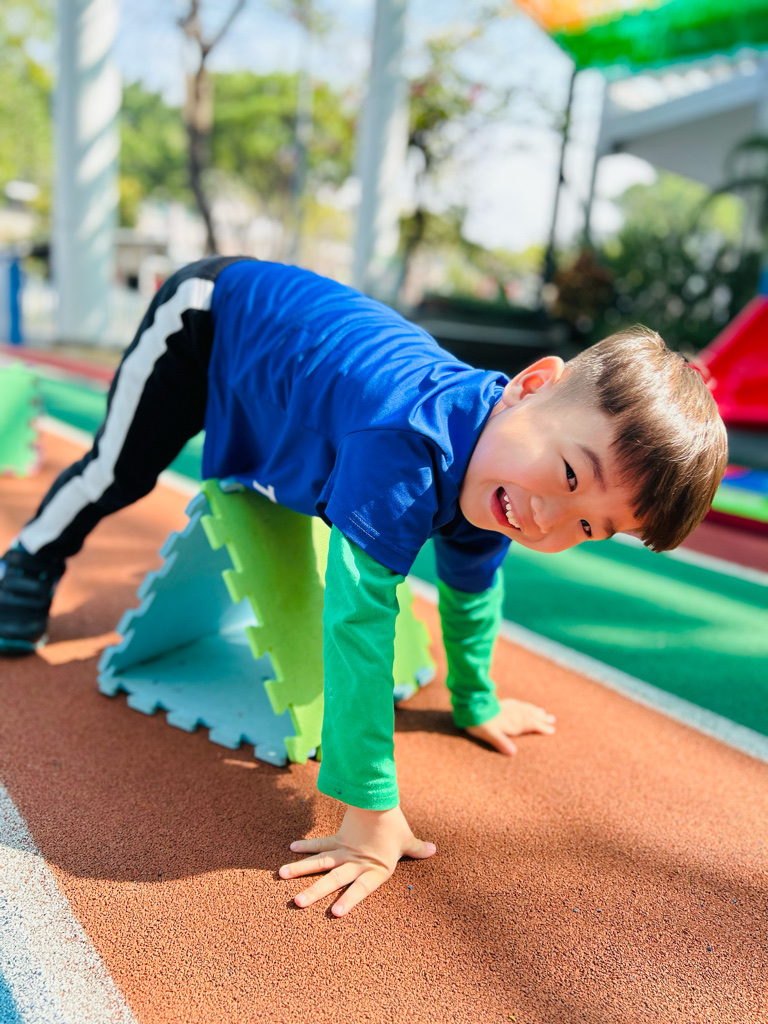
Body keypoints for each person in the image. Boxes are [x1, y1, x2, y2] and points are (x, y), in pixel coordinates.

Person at [0, 257, 728, 916]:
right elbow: (357, 620)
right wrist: (370, 810)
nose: (549, 519)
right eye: (570, 475)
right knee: (121, 469)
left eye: (590, 526)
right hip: (212, 318)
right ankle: (29, 560)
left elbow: (473, 589)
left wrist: (476, 699)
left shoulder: (506, 476)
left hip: (304, 364)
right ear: (530, 387)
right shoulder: (408, 442)